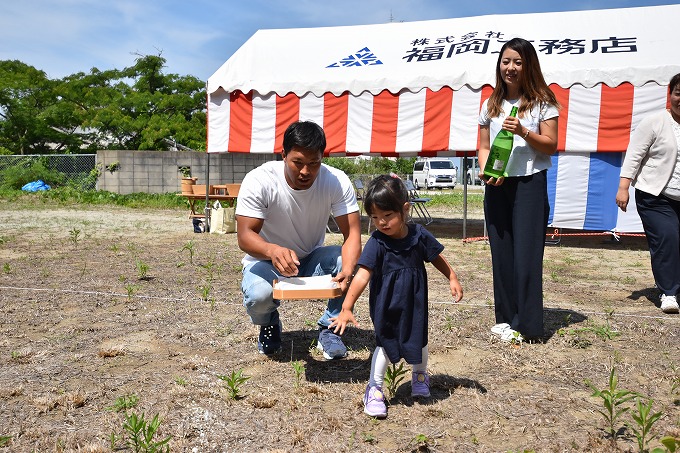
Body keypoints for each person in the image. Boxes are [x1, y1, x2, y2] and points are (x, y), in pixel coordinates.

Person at [328, 174, 463, 418]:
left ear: (404, 209)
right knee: (386, 343)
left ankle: (420, 376)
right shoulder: (377, 242)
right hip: (386, 303)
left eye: (387, 215)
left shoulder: (419, 235)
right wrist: (346, 306)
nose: (381, 222)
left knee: (418, 337)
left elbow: (435, 257)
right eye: (375, 217)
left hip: (414, 300)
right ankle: (375, 389)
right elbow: (361, 276)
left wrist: (452, 277)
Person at [235, 120, 362, 357]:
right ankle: (269, 323)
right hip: (265, 261)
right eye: (298, 163)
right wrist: (272, 251)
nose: (306, 171)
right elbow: (244, 236)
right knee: (258, 296)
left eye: (314, 163)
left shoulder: (335, 180)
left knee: (348, 261)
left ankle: (330, 328)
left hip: (311, 258)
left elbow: (353, 234)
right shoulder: (259, 180)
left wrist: (349, 269)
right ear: (283, 155)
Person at [477, 37, 560, 342]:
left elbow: (551, 146)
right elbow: (483, 147)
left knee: (526, 256)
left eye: (517, 62)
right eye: (505, 61)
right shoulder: (491, 103)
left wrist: (525, 130)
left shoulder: (543, 102)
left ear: (528, 66)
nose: (510, 68)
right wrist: (488, 172)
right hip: (497, 185)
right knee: (501, 253)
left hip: (529, 184)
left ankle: (528, 327)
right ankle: (506, 321)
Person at [616, 73, 680, 314]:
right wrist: (623, 187)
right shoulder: (654, 121)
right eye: (678, 93)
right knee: (667, 239)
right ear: (670, 95)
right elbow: (633, 156)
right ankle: (669, 292)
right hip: (655, 195)